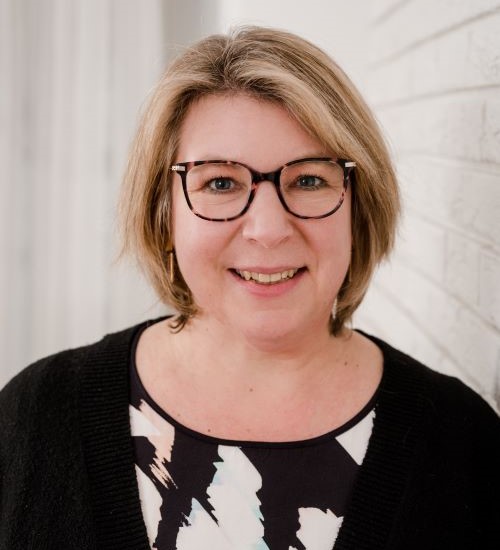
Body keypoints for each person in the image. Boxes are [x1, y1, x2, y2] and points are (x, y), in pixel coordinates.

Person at [1, 26, 499, 550]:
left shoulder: (463, 442)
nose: (268, 229)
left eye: (309, 180)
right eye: (220, 183)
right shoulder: (36, 417)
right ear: (163, 212)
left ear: (359, 206)